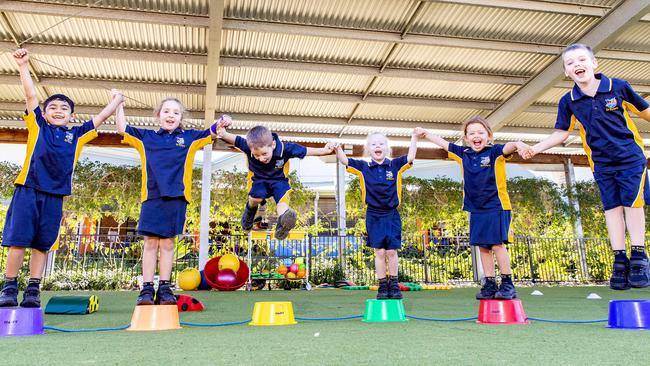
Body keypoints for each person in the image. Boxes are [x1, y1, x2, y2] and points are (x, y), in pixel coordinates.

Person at [0, 48, 123, 307]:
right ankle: (9, 286)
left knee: (42, 244)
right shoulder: (38, 126)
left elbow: (101, 118)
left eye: (64, 108)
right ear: (43, 114)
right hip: (28, 190)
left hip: (55, 195)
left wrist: (116, 100)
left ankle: (33, 289)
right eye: (52, 107)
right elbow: (30, 94)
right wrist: (23, 66)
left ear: (71, 116)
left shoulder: (77, 135)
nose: (58, 110)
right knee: (18, 241)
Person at [523, 43, 650, 290]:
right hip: (601, 163)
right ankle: (619, 259)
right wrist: (535, 148)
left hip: (630, 158)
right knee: (612, 208)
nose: (576, 65)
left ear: (594, 63)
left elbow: (646, 112)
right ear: (566, 72)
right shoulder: (569, 101)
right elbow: (560, 133)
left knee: (632, 204)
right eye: (570, 64)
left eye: (581, 60)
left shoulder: (619, 87)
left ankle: (638, 256)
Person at [116, 97, 220, 305]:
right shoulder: (146, 137)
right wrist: (118, 103)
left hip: (177, 197)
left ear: (181, 117)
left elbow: (212, 132)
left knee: (168, 243)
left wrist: (223, 121)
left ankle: (164, 288)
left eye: (175, 112)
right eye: (166, 111)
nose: (170, 115)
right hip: (152, 196)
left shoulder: (189, 138)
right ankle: (146, 289)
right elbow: (122, 128)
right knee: (150, 243)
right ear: (158, 115)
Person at [416, 117, 530, 299]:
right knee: (483, 247)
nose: (476, 136)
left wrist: (518, 144)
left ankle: (507, 283)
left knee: (497, 245)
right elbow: (444, 144)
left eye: (480, 132)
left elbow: (509, 146)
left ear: (489, 135)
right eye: (472, 133)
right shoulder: (463, 154)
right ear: (466, 138)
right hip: (476, 209)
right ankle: (490, 284)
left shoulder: (495, 152)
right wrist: (425, 133)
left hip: (497, 206)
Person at [334, 131, 417, 299]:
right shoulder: (364, 168)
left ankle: (394, 284)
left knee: (391, 252)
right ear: (368, 150)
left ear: (387, 148)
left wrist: (414, 137)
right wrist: (338, 148)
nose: (377, 146)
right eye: (373, 144)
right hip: (374, 215)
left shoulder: (395, 166)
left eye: (381, 144)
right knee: (379, 252)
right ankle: (382, 285)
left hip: (392, 214)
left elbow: (410, 156)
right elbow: (345, 161)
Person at [217, 124, 335, 240]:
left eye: (264, 154)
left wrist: (324, 150)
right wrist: (223, 133)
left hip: (279, 180)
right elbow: (235, 139)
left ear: (273, 145)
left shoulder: (285, 149)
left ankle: (282, 223)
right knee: (255, 199)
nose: (261, 158)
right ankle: (249, 211)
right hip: (258, 180)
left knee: (283, 201)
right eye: (256, 155)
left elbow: (306, 151)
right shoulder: (249, 146)